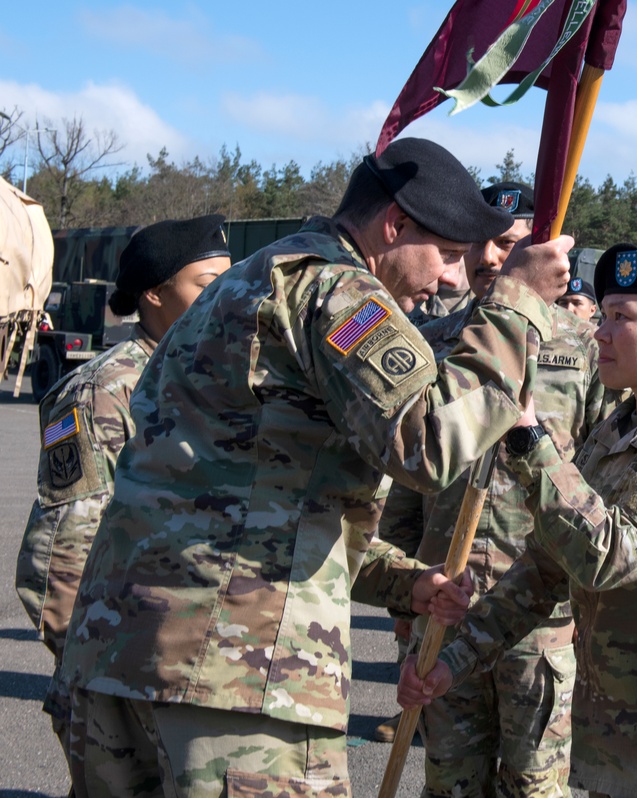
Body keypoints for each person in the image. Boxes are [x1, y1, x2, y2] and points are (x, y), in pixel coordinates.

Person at [57, 137, 573, 797]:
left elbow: (250, 497)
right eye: (444, 255)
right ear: (394, 225)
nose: (448, 278)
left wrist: (400, 581)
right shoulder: (335, 288)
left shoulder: (254, 279)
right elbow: (429, 441)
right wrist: (518, 303)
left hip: (122, 655)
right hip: (232, 677)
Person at [401, 244, 637, 797]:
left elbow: (612, 556)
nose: (600, 332)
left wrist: (532, 441)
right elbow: (544, 571)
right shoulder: (616, 432)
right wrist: (450, 664)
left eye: (623, 319)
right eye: (602, 316)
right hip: (617, 745)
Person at [380, 182, 604, 796]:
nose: (490, 261)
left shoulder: (586, 350)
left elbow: (598, 480)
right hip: (446, 605)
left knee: (534, 783)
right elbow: (404, 487)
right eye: (482, 245)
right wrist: (406, 600)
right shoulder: (431, 342)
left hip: (538, 611)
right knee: (450, 780)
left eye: (509, 246)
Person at [16, 214, 232, 770]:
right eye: (208, 283)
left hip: (189, 667)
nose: (229, 296)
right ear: (154, 294)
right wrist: (92, 675)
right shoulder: (102, 394)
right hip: (119, 675)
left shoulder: (210, 379)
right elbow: (59, 555)